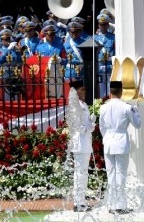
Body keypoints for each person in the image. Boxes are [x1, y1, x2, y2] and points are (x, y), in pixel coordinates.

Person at [99, 80, 141, 214]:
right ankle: (121, 205)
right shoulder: (126, 107)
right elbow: (137, 124)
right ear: (121, 91)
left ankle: (112, 204)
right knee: (121, 175)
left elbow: (102, 127)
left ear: (110, 92)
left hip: (109, 142)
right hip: (121, 142)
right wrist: (137, 111)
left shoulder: (103, 107)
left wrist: (107, 137)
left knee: (111, 174)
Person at [67, 80, 96, 212]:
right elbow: (77, 126)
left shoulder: (83, 104)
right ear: (76, 91)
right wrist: (89, 127)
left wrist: (91, 122)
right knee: (79, 173)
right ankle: (78, 202)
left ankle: (81, 200)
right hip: (79, 142)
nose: (85, 91)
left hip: (85, 143)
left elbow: (84, 123)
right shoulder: (75, 105)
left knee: (83, 173)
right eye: (82, 89)